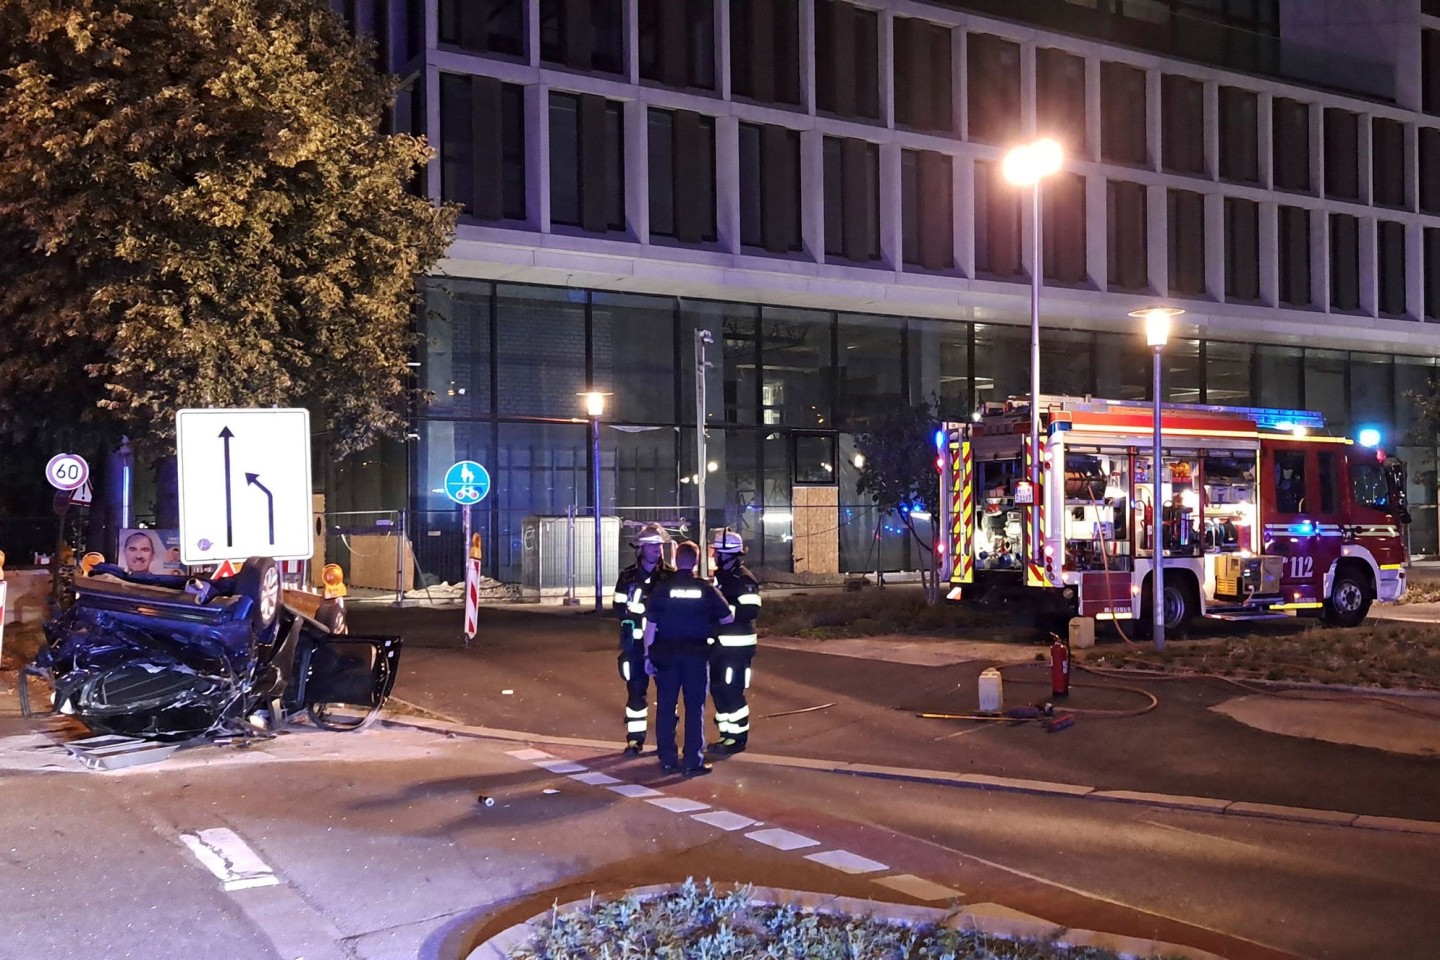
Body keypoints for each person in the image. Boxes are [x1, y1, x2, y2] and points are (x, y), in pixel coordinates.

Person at [643, 540, 732, 777]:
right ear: (696, 561)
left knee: (665, 707)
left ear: (674, 560)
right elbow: (728, 618)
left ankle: (667, 760)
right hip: (695, 657)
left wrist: (647, 655)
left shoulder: (662, 589)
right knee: (695, 708)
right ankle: (692, 761)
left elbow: (650, 626)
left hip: (666, 656)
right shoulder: (705, 589)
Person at [611, 523, 673, 756]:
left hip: (663, 646)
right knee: (636, 693)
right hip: (635, 647)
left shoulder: (670, 576)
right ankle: (635, 740)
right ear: (641, 549)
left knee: (667, 695)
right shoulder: (627, 577)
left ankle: (666, 741)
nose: (657, 549)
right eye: (652, 546)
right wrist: (634, 618)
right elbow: (618, 606)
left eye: (659, 545)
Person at [707, 529, 761, 755]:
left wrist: (720, 612)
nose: (714, 555)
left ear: (727, 554)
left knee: (732, 691)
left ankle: (737, 738)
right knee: (718, 689)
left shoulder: (744, 579)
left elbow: (750, 610)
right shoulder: (722, 577)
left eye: (716, 551)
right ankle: (726, 735)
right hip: (720, 646)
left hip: (737, 648)